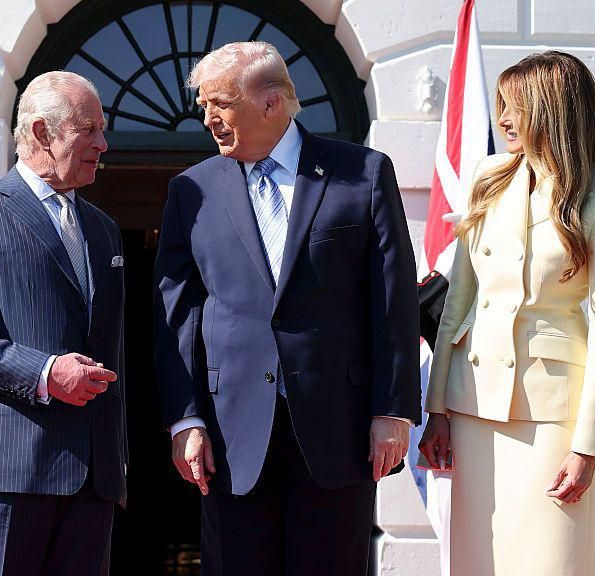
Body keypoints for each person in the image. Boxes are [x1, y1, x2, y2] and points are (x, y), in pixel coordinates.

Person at [152, 41, 421, 575]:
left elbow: (393, 299)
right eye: (204, 106)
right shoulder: (191, 190)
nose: (207, 119)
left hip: (339, 428)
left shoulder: (363, 173)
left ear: (271, 103)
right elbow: (177, 316)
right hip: (229, 435)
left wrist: (392, 410)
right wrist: (185, 418)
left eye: (219, 104)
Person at [418, 51, 595, 576]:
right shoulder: (488, 177)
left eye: (515, 107)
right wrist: (437, 407)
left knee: (551, 564)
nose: (503, 120)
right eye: (499, 106)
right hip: (473, 409)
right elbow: (457, 303)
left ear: (553, 110)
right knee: (479, 564)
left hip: (554, 421)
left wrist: (589, 448)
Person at [0, 71, 126, 576]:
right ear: (42, 132)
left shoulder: (104, 230)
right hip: (3, 471)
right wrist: (45, 373)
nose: (103, 144)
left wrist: (115, 457)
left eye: (102, 131)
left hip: (92, 477)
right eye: (89, 129)